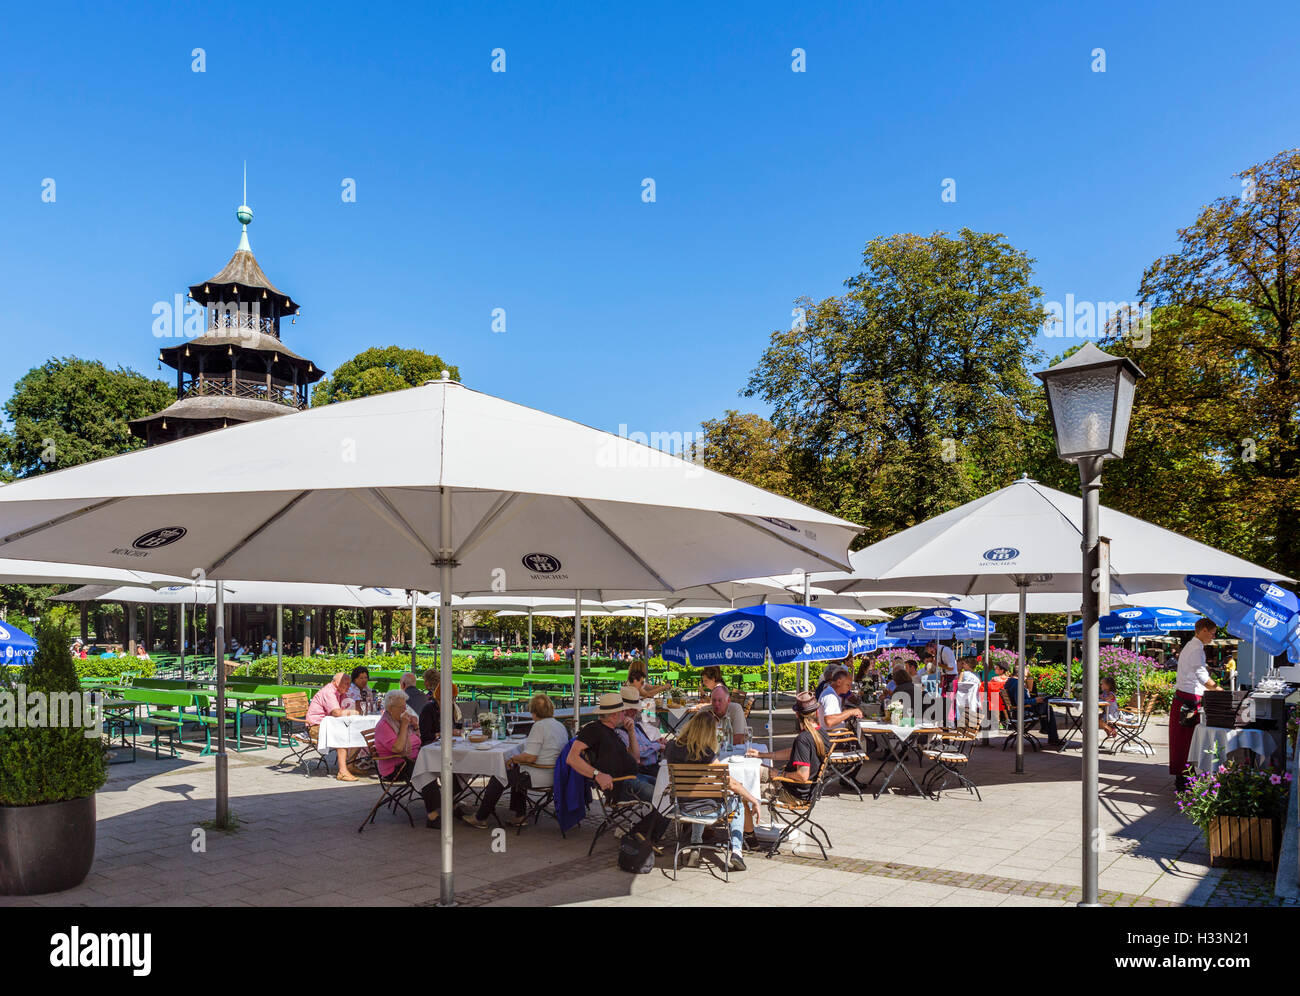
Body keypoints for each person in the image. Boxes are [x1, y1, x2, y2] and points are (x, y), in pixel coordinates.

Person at [664, 711, 757, 872]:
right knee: (737, 802)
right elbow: (731, 783)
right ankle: (736, 852)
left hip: (682, 808)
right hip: (708, 810)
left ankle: (695, 846)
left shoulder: (671, 747)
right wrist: (753, 799)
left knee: (699, 800)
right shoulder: (706, 753)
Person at [464, 694, 569, 829]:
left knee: (499, 776)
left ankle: (481, 817)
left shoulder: (539, 726)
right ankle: (519, 815)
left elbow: (530, 757)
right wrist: (517, 760)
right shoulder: (558, 725)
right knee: (515, 771)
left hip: (540, 774)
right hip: (554, 773)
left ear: (534, 711)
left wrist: (513, 758)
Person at [372, 689, 444, 828]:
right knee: (425, 771)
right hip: (396, 766)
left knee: (445, 763)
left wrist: (415, 727)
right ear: (390, 708)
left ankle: (451, 803)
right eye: (402, 707)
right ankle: (432, 816)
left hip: (412, 759)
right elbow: (398, 748)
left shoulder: (398, 720)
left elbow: (416, 740)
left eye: (406, 706)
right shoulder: (385, 726)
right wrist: (405, 725)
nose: (405, 710)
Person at [566, 692, 654, 803]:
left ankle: (653, 821)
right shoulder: (594, 729)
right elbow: (571, 758)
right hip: (619, 785)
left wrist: (631, 732)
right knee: (660, 797)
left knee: (667, 790)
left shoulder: (613, 731)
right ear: (614, 714)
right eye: (622, 711)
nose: (625, 714)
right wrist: (597, 775)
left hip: (633, 778)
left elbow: (636, 759)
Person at [748, 691, 829, 805]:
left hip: (793, 793)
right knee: (754, 769)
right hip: (804, 790)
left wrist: (781, 774)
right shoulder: (822, 734)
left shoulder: (803, 739)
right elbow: (793, 753)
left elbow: (802, 775)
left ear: (796, 714)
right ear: (816, 712)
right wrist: (762, 755)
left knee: (745, 788)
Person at [1170, 619, 1219, 791]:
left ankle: (1183, 780)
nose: (1213, 637)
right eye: (1212, 633)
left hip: (1185, 698)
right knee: (1188, 742)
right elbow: (1202, 676)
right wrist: (1219, 689)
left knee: (1184, 742)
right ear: (1204, 630)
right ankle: (1185, 782)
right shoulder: (1196, 649)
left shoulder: (1191, 646)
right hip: (1189, 700)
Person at [306, 673, 363, 781]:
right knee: (341, 735)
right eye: (346, 684)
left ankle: (350, 765)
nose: (349, 686)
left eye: (349, 684)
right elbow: (336, 712)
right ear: (337, 683)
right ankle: (342, 772)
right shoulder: (329, 692)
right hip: (315, 727)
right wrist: (352, 712)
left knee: (358, 732)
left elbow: (345, 708)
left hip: (329, 725)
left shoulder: (340, 692)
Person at [998, 662, 1061, 747]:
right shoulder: (1017, 684)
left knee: (1045, 705)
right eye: (1026, 671)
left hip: (1016, 712)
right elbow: (1020, 702)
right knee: (1048, 708)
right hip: (1023, 712)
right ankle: (1052, 738)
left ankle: (1046, 730)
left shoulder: (1011, 681)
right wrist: (1035, 700)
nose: (1027, 672)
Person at [613, 684, 667, 782]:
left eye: (635, 709)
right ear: (623, 711)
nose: (635, 712)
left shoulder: (635, 724)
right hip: (643, 772)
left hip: (653, 767)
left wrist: (657, 742)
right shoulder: (619, 730)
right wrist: (658, 746)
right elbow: (639, 753)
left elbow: (644, 745)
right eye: (631, 709)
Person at [817, 664, 862, 731]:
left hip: (836, 734)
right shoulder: (830, 696)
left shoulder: (832, 693)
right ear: (839, 682)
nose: (849, 688)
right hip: (834, 738)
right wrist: (850, 712)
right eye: (847, 685)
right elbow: (829, 721)